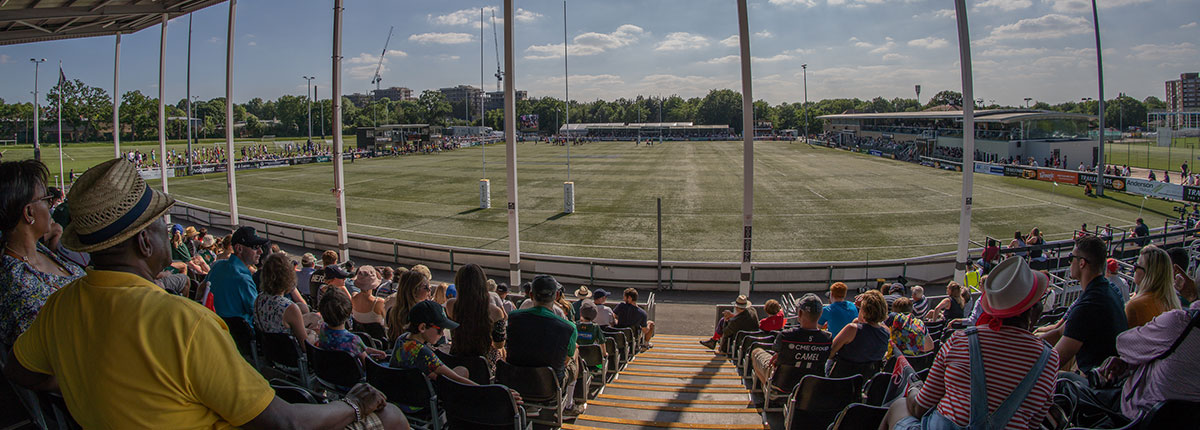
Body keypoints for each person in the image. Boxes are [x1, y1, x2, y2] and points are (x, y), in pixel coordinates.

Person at [2, 158, 407, 429]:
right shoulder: (184, 322)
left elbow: (21, 373)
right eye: (162, 224)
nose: (166, 231)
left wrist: (86, 380)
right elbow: (283, 423)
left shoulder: (58, 307)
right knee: (389, 417)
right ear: (144, 243)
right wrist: (353, 403)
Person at [882, 257, 1059, 430]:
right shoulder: (1049, 358)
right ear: (1035, 311)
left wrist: (913, 388)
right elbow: (1034, 421)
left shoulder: (961, 341)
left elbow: (919, 407)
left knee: (899, 405)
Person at [0, 160, 85, 346]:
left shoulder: (35, 251)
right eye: (46, 200)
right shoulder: (21, 286)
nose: (50, 207)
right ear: (29, 213)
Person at [1038, 235, 1127, 372]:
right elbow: (1060, 332)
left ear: (1082, 263)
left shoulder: (1089, 305)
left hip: (1094, 386)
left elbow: (1052, 364)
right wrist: (1029, 345)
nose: (1069, 263)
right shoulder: (1107, 289)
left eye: (1071, 258)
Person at [506, 275, 582, 413]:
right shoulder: (569, 327)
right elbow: (565, 361)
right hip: (550, 386)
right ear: (557, 295)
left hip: (515, 381)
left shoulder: (513, 318)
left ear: (530, 295)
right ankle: (569, 405)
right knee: (575, 352)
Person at [751, 293, 832, 394]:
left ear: (800, 313)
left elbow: (776, 349)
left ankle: (769, 391)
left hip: (782, 384)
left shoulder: (786, 335)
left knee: (756, 352)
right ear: (820, 314)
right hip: (812, 387)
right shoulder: (827, 338)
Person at [391, 300, 476, 387]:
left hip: (402, 389)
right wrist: (484, 390)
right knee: (462, 372)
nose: (442, 334)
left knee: (460, 370)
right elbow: (457, 379)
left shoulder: (402, 339)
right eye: (440, 329)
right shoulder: (422, 352)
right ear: (422, 327)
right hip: (426, 397)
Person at [444, 264, 507, 377]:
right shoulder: (495, 312)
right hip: (484, 367)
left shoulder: (450, 305)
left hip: (456, 361)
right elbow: (499, 344)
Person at [206, 226, 269, 327]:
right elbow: (259, 314)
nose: (260, 251)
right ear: (239, 248)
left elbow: (202, 290)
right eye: (255, 247)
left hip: (213, 327)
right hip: (237, 337)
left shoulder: (217, 265)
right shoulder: (243, 279)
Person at [828, 290, 890, 381]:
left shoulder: (851, 329)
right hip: (866, 380)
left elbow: (829, 353)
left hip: (841, 379)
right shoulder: (886, 331)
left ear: (864, 310)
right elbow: (865, 326)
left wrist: (859, 307)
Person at [254, 252, 312, 346]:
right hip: (293, 356)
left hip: (271, 351)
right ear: (288, 276)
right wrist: (312, 333)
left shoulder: (258, 299)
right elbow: (305, 347)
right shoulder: (289, 308)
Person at [318, 290, 387, 362]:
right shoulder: (353, 340)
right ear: (349, 312)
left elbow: (360, 348)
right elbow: (367, 364)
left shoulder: (322, 329)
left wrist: (372, 351)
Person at [1126, 245, 1181, 328]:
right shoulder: (1172, 302)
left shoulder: (1135, 306)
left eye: (1136, 266)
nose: (1134, 269)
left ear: (1148, 273)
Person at [385, 270, 432, 342]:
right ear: (414, 291)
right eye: (426, 287)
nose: (429, 290)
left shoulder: (392, 312)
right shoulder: (422, 314)